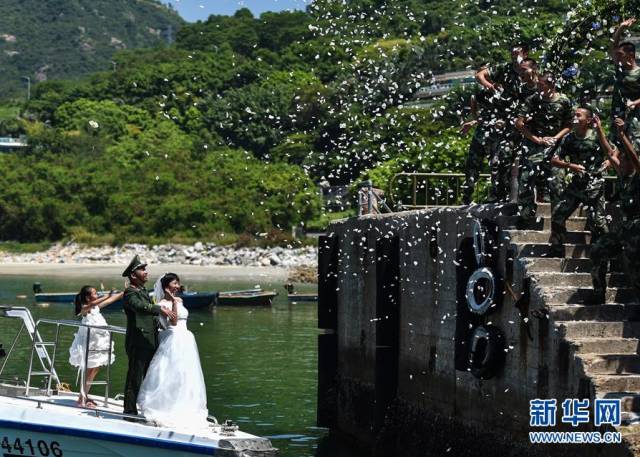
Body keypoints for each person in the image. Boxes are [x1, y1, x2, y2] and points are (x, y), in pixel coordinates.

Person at [137, 273, 208, 430]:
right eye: (174, 283)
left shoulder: (180, 300)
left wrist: (176, 300)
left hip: (186, 339)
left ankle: (185, 406)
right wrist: (173, 302)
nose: (177, 286)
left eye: (178, 283)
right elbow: (174, 321)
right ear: (166, 286)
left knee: (186, 374)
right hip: (173, 338)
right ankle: (165, 407)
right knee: (169, 373)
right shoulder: (161, 304)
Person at [547, 109, 611, 257]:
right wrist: (570, 166)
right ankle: (557, 251)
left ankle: (601, 256)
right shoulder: (569, 138)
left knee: (599, 222)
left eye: (578, 115)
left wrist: (608, 162)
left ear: (588, 120)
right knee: (558, 215)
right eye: (574, 115)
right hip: (576, 185)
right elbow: (554, 160)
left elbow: (612, 152)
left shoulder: (597, 135)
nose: (575, 117)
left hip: (594, 185)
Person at [590, 118, 640, 304]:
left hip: (637, 227)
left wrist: (622, 135)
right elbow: (610, 153)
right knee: (598, 250)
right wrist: (599, 130)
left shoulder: (637, 174)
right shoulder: (623, 175)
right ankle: (598, 294)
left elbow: (634, 158)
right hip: (624, 227)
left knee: (635, 268)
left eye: (624, 160)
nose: (621, 162)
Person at [515, 72, 573, 225]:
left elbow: (569, 124)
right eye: (538, 85)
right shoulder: (533, 100)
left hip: (555, 148)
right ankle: (526, 216)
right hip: (534, 146)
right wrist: (537, 139)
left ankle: (558, 222)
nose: (539, 88)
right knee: (526, 180)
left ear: (551, 85)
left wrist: (555, 138)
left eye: (542, 85)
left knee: (557, 184)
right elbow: (519, 123)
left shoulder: (564, 100)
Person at [122, 255, 175, 417]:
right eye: (142, 269)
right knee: (135, 377)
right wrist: (159, 309)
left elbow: (149, 314)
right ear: (133, 275)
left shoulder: (142, 291)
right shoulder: (130, 292)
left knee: (150, 377)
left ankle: (148, 408)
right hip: (138, 340)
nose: (146, 272)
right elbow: (139, 306)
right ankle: (129, 411)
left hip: (150, 340)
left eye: (145, 269)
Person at [68, 285, 124, 407]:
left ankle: (84, 395)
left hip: (99, 343)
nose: (97, 295)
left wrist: (122, 293)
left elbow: (110, 300)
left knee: (95, 369)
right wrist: (106, 295)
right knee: (89, 370)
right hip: (89, 343)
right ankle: (81, 399)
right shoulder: (84, 309)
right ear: (88, 298)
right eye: (95, 293)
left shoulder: (95, 308)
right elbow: (94, 303)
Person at [610, 18, 640, 145]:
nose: (617, 57)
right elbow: (614, 46)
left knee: (633, 147)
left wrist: (634, 103)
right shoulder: (620, 69)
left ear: (630, 55)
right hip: (617, 114)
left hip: (634, 116)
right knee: (616, 147)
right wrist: (621, 28)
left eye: (621, 54)